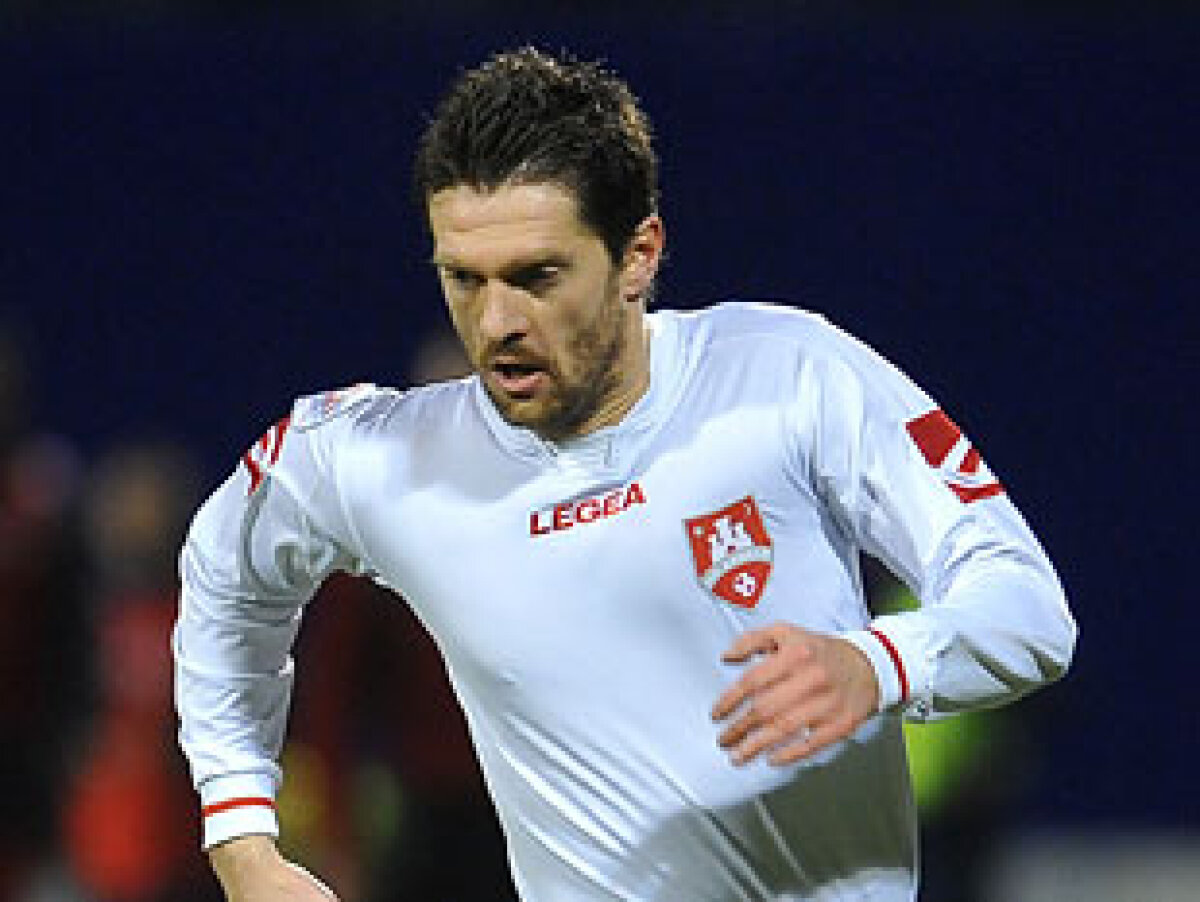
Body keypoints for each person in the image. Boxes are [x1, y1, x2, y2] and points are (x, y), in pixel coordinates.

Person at [172, 47, 1077, 902]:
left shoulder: (789, 377)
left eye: (536, 276)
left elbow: (1028, 606)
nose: (496, 323)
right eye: (464, 278)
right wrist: (242, 840)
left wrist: (878, 663)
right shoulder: (380, 460)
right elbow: (223, 574)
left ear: (639, 254)